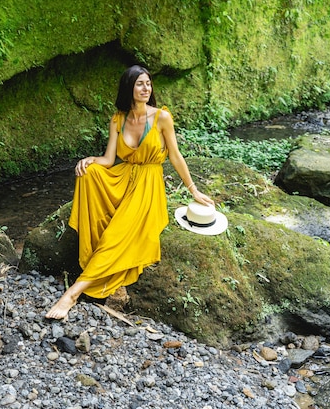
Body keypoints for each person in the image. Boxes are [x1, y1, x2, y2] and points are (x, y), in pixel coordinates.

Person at [45, 65, 214, 320]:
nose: (146, 88)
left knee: (118, 234)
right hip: (123, 177)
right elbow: (109, 159)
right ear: (129, 88)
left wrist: (193, 190)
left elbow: (176, 156)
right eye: (140, 84)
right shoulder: (118, 119)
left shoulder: (161, 118)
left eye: (148, 83)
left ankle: (72, 293)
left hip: (148, 184)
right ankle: (91, 265)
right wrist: (90, 160)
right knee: (88, 174)